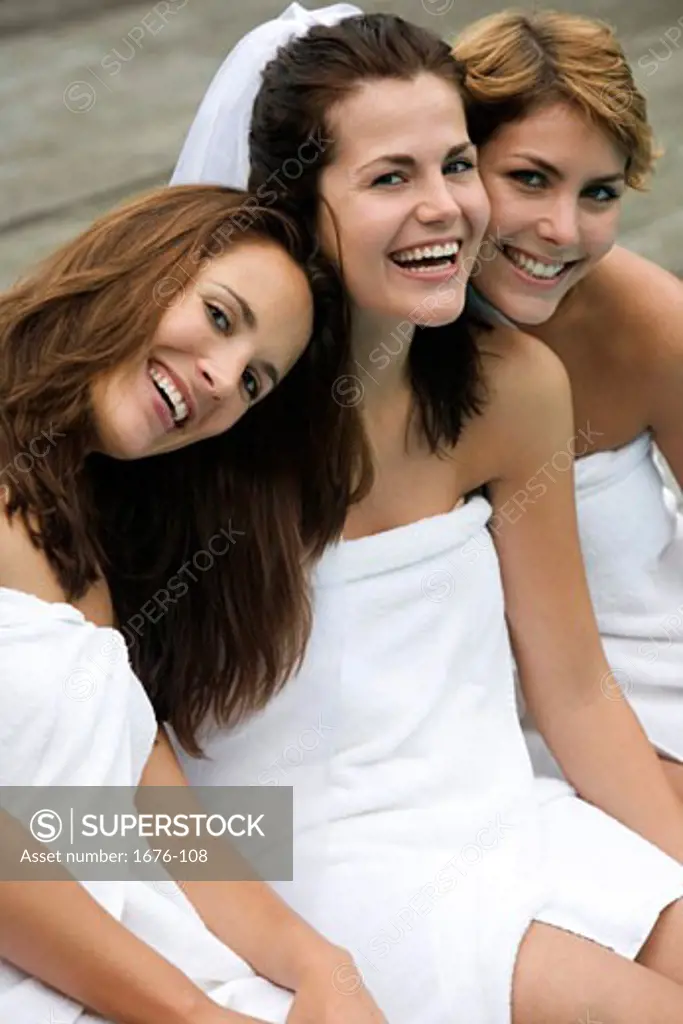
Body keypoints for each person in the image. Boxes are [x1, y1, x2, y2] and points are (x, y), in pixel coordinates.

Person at [171, 6, 683, 1022]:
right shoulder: (201, 412)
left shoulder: (509, 388)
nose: (444, 208)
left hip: (503, 806)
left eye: (454, 165)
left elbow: (575, 692)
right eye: (388, 177)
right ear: (295, 201)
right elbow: (100, 767)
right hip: (326, 856)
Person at [0, 183, 386, 1023]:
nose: (218, 379)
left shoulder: (83, 557)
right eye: (218, 316)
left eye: (254, 381)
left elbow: (165, 831)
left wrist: (322, 965)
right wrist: (197, 1016)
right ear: (135, 265)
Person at [451, 10, 683, 784]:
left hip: (651, 688)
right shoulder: (371, 341)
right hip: (462, 730)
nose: (560, 229)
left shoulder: (650, 325)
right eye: (528, 178)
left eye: (599, 193)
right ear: (453, 164)